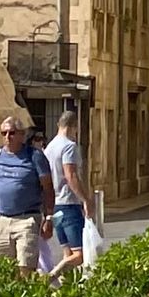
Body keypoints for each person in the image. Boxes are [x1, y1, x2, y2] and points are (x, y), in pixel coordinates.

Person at [0, 115, 53, 275]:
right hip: (2, 220)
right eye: (4, 133)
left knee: (25, 268)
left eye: (11, 133)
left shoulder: (35, 156)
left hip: (27, 219)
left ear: (22, 135)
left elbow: (47, 188)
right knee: (2, 270)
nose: (7, 137)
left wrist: (49, 217)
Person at [44, 107, 95, 279]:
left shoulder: (49, 148)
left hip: (55, 205)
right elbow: (70, 175)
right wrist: (86, 199)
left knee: (68, 252)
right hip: (69, 204)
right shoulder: (69, 147)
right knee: (79, 255)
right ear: (73, 127)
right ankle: (51, 276)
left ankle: (65, 288)